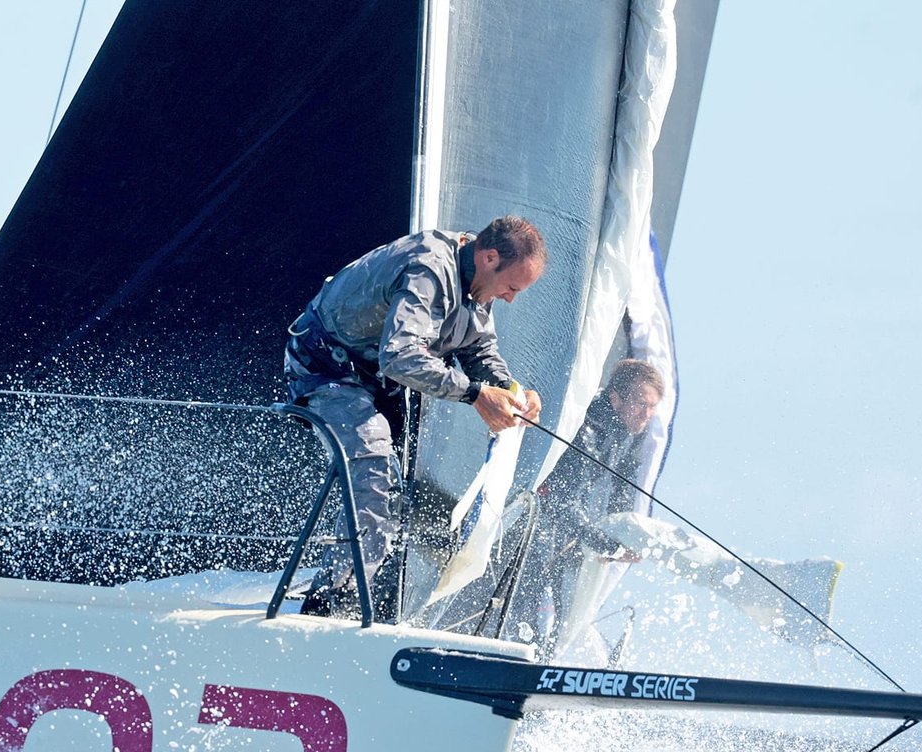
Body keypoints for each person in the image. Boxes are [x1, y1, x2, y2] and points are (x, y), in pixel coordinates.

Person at [285, 216, 547, 617]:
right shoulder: (429, 268)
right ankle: (328, 602)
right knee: (376, 476)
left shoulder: (479, 282)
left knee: (401, 494)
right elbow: (400, 356)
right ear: (490, 257)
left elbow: (478, 350)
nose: (510, 299)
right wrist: (476, 394)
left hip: (377, 382)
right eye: (512, 287)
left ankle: (353, 594)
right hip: (328, 369)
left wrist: (512, 392)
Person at [504, 358, 666, 648]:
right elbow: (561, 501)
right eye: (641, 404)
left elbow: (621, 491)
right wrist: (608, 545)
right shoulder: (587, 428)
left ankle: (541, 655)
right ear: (616, 399)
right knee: (529, 609)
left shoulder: (624, 434)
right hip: (528, 528)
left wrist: (621, 539)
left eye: (653, 407)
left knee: (558, 618)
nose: (647, 415)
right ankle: (517, 651)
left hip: (561, 534)